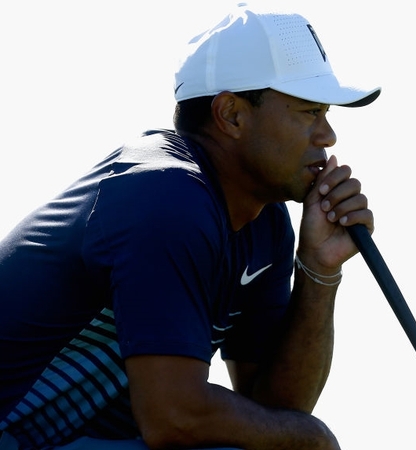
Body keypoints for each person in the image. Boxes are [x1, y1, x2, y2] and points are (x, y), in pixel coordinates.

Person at [0, 5, 380, 450]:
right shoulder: (165, 196)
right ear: (232, 115)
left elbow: (273, 407)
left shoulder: (265, 222)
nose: (328, 136)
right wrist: (312, 439)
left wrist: (319, 270)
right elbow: (174, 418)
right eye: (309, 112)